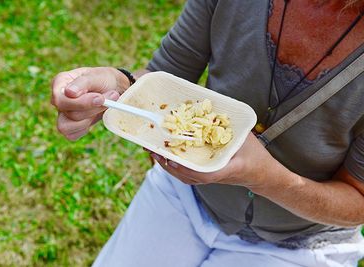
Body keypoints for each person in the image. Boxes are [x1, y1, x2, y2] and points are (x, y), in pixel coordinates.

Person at [50, 0, 364, 266]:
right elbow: (167, 73)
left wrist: (263, 177)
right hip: (186, 196)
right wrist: (120, 86)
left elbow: (357, 202)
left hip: (302, 241)